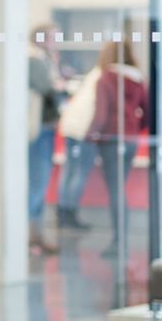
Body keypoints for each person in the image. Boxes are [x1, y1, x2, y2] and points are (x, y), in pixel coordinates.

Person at [86, 38, 149, 257]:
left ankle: (118, 241)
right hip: (130, 139)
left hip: (111, 139)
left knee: (115, 190)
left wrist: (91, 135)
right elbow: (147, 112)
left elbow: (101, 114)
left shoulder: (106, 78)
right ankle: (121, 239)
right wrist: (134, 128)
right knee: (119, 188)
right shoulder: (137, 78)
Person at [27, 24, 67, 255]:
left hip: (45, 129)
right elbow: (48, 89)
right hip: (39, 129)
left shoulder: (44, 59)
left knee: (39, 186)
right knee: (37, 184)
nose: (56, 41)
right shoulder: (35, 60)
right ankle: (28, 236)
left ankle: (36, 236)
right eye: (52, 37)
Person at [55, 61, 103, 230]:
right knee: (79, 172)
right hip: (84, 130)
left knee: (69, 170)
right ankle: (70, 214)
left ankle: (62, 214)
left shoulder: (94, 72)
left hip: (72, 126)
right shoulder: (106, 76)